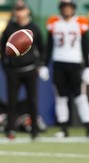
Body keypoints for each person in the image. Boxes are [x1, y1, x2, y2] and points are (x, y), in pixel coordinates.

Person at [45, 0, 89, 138]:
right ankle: (63, 129)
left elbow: (86, 46)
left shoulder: (80, 22)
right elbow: (49, 46)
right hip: (59, 63)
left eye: (69, 7)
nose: (67, 10)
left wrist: (87, 66)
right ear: (61, 8)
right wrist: (44, 65)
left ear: (73, 8)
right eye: (64, 7)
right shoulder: (54, 22)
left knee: (80, 96)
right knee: (61, 97)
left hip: (75, 63)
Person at [0, 0, 47, 140]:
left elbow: (42, 48)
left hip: (30, 68)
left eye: (22, 9)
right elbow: (3, 49)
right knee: (11, 101)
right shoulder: (10, 28)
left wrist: (41, 64)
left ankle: (34, 130)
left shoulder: (34, 28)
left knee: (33, 99)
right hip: (13, 70)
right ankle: (11, 129)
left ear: (27, 11)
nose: (20, 12)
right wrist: (6, 66)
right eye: (17, 9)